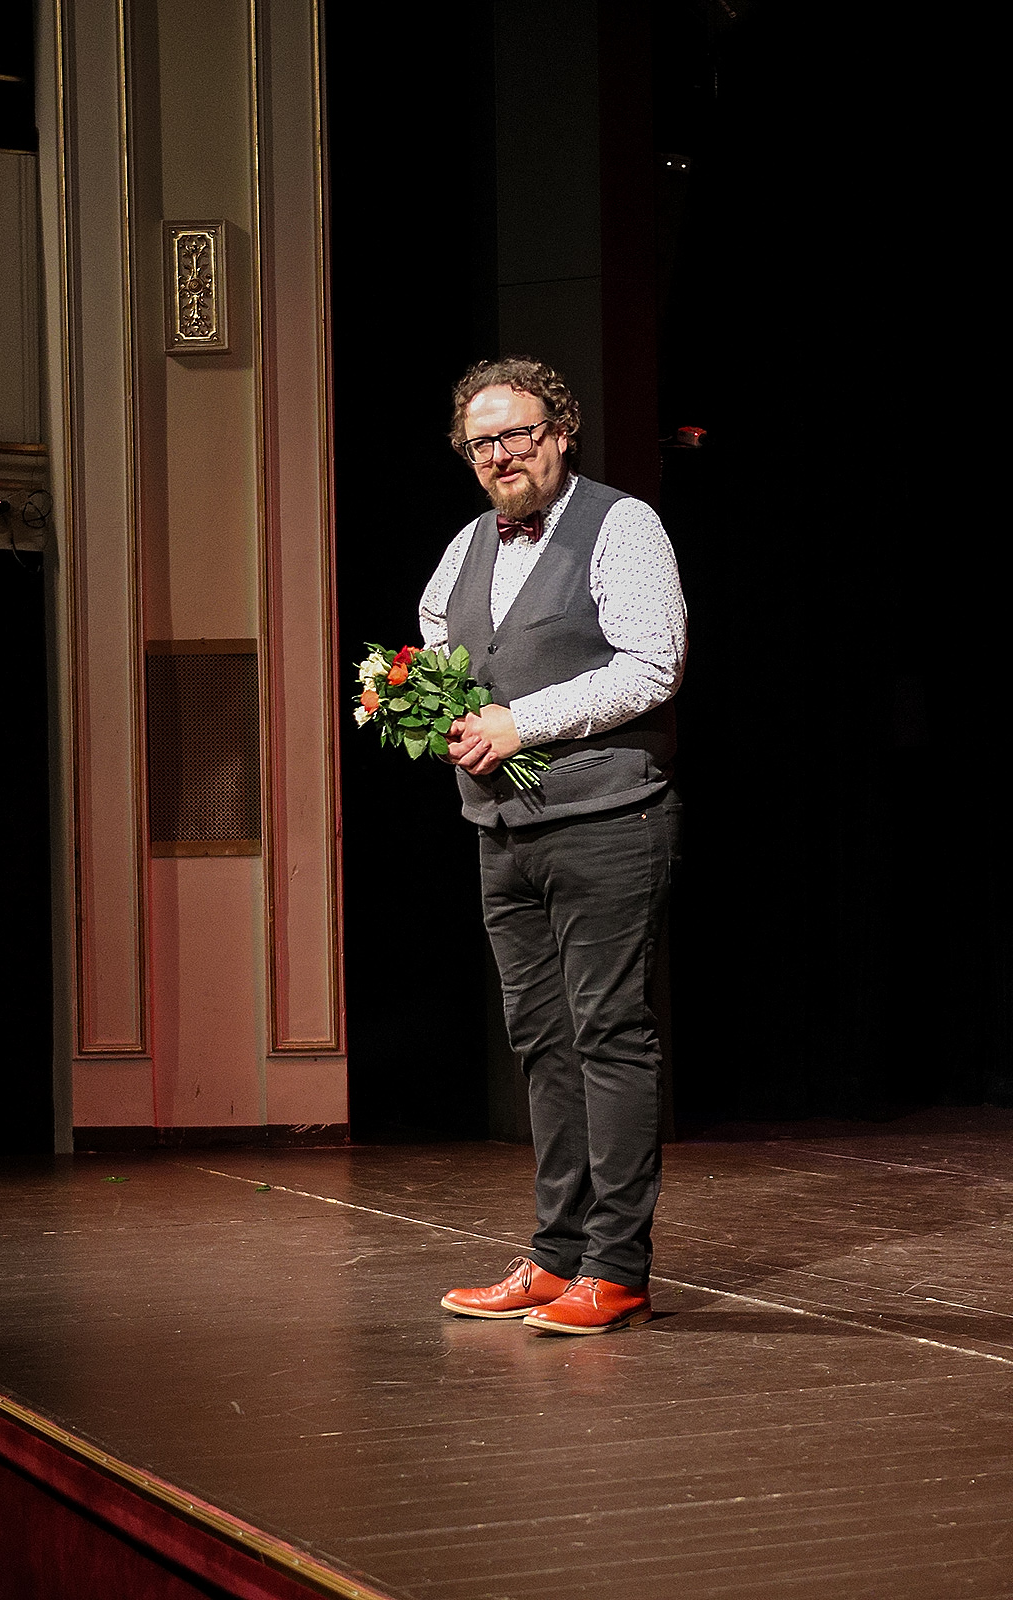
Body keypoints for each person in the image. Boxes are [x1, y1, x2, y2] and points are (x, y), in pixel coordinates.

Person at [424, 356, 686, 1335]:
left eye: (517, 433)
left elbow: (654, 663)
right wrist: (444, 709)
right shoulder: (466, 545)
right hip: (502, 829)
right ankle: (555, 1255)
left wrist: (519, 722)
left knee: (609, 1034)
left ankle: (615, 1270)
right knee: (542, 1042)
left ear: (561, 432)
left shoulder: (622, 526)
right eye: (480, 442)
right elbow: (439, 637)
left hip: (609, 819)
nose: (500, 454)